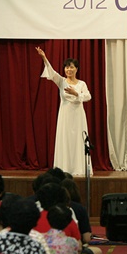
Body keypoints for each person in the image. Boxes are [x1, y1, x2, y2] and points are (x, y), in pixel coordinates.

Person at [36, 47, 92, 176]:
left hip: (78, 115)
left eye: (71, 67)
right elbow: (51, 72)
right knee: (65, 140)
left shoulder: (81, 84)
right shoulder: (61, 81)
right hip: (65, 114)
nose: (68, 70)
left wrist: (76, 93)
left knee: (78, 140)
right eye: (66, 67)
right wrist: (44, 57)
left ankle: (78, 168)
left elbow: (88, 96)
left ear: (76, 69)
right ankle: (64, 168)